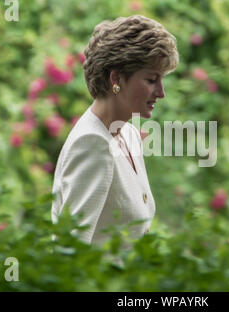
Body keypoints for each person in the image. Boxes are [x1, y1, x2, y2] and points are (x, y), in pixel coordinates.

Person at [51, 15, 179, 252]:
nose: (161, 93)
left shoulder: (128, 134)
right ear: (116, 79)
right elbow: (69, 251)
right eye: (152, 80)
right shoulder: (92, 143)